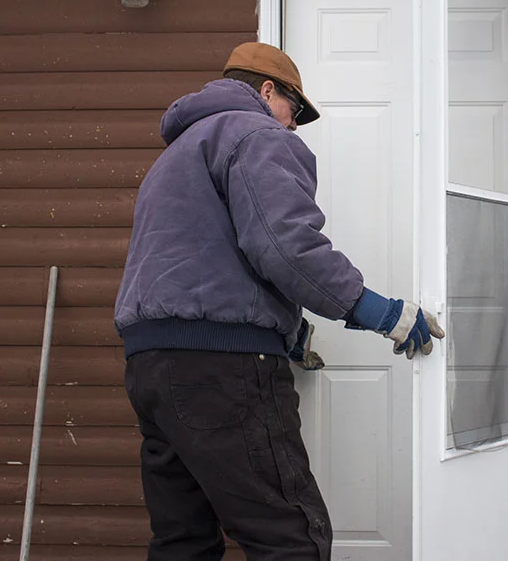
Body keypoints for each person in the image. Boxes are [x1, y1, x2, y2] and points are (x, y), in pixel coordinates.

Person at [114, 41, 445, 561]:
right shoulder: (255, 133)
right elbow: (284, 245)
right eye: (296, 110)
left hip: (152, 368)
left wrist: (291, 331)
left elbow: (202, 261)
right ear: (267, 91)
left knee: (183, 541)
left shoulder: (175, 154)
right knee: (290, 540)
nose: (293, 126)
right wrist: (377, 310)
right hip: (223, 371)